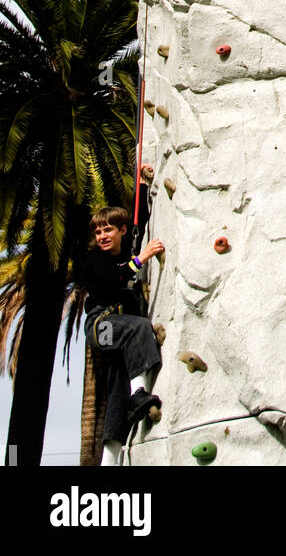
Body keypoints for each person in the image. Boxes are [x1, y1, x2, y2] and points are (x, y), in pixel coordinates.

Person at [75, 167, 164, 467]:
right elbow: (111, 280)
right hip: (102, 328)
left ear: (121, 232)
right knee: (139, 328)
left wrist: (141, 181)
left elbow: (138, 220)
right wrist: (140, 260)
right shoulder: (95, 261)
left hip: (117, 335)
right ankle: (139, 392)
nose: (102, 236)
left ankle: (109, 462)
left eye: (108, 230)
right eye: (99, 231)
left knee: (115, 393)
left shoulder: (126, 246)